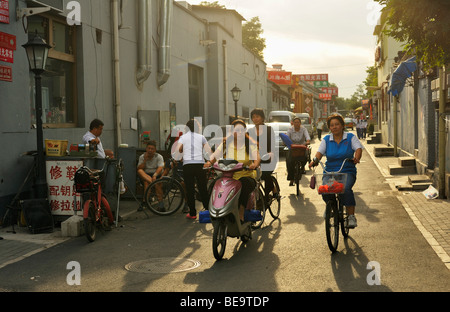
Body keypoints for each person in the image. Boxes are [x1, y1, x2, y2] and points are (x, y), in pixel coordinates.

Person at [309, 114, 363, 228]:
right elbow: (319, 152)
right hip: (330, 172)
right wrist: (315, 160)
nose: (334, 127)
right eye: (332, 125)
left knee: (346, 189)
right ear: (329, 128)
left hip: (347, 171)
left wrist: (357, 158)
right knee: (324, 190)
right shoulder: (326, 139)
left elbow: (358, 148)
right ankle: (331, 207)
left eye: (337, 124)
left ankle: (351, 216)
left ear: (342, 125)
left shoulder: (350, 137)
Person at [209, 119, 261, 223]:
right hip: (228, 177)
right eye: (237, 130)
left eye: (242, 130)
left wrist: (254, 164)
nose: (240, 132)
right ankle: (212, 211)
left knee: (244, 185)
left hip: (246, 175)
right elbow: (215, 156)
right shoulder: (226, 143)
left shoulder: (250, 144)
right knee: (213, 185)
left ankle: (241, 212)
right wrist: (209, 163)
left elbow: (257, 157)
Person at [177, 119, 213, 220]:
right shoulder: (201, 137)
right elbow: (208, 150)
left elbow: (179, 150)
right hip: (200, 165)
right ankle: (207, 211)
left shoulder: (183, 137)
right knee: (203, 188)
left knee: (190, 189)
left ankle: (192, 213)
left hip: (187, 165)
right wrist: (209, 161)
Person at [247, 108, 279, 204]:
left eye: (257, 116)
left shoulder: (269, 129)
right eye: (253, 117)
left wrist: (271, 153)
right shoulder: (250, 131)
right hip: (255, 157)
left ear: (262, 118)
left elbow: (272, 143)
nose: (255, 119)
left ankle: (271, 189)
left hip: (268, 157)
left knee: (264, 173)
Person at [286, 117, 311, 186]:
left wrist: (307, 141)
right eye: (295, 122)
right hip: (292, 148)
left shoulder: (303, 129)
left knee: (306, 157)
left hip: (302, 147)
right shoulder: (290, 129)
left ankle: (302, 167)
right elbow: (287, 137)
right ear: (293, 123)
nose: (296, 124)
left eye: (298, 122)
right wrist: (285, 142)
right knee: (289, 161)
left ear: (300, 123)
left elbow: (307, 137)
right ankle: (291, 179)